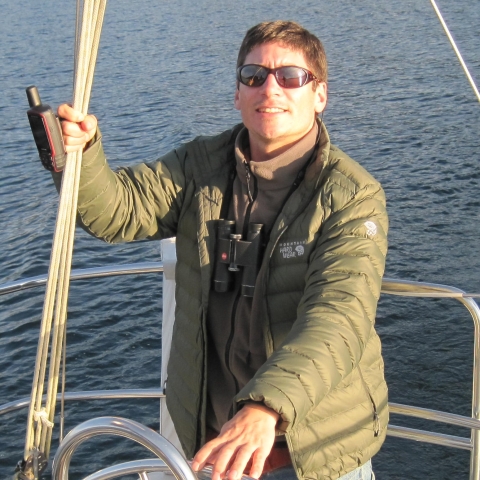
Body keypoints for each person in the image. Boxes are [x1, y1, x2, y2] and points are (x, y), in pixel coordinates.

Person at [56, 21, 388, 480]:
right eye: (254, 75)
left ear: (320, 95)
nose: (270, 87)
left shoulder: (351, 195)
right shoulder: (200, 166)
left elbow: (338, 316)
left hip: (312, 449)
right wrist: (80, 153)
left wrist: (264, 407)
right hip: (217, 441)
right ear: (237, 94)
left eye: (290, 76)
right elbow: (118, 211)